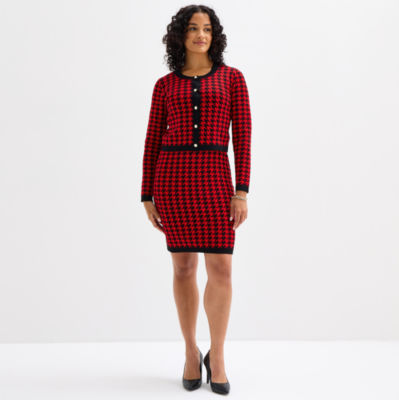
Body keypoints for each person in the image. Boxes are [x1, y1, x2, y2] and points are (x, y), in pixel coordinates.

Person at [140, 5, 252, 395]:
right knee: (184, 268)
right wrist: (147, 194)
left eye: (206, 28)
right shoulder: (164, 85)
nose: (200, 35)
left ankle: (216, 355)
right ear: (180, 36)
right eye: (192, 28)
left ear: (214, 36)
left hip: (216, 182)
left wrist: (242, 191)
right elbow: (152, 140)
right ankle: (191, 351)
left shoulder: (233, 79)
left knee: (221, 269)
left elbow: (243, 138)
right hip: (172, 182)